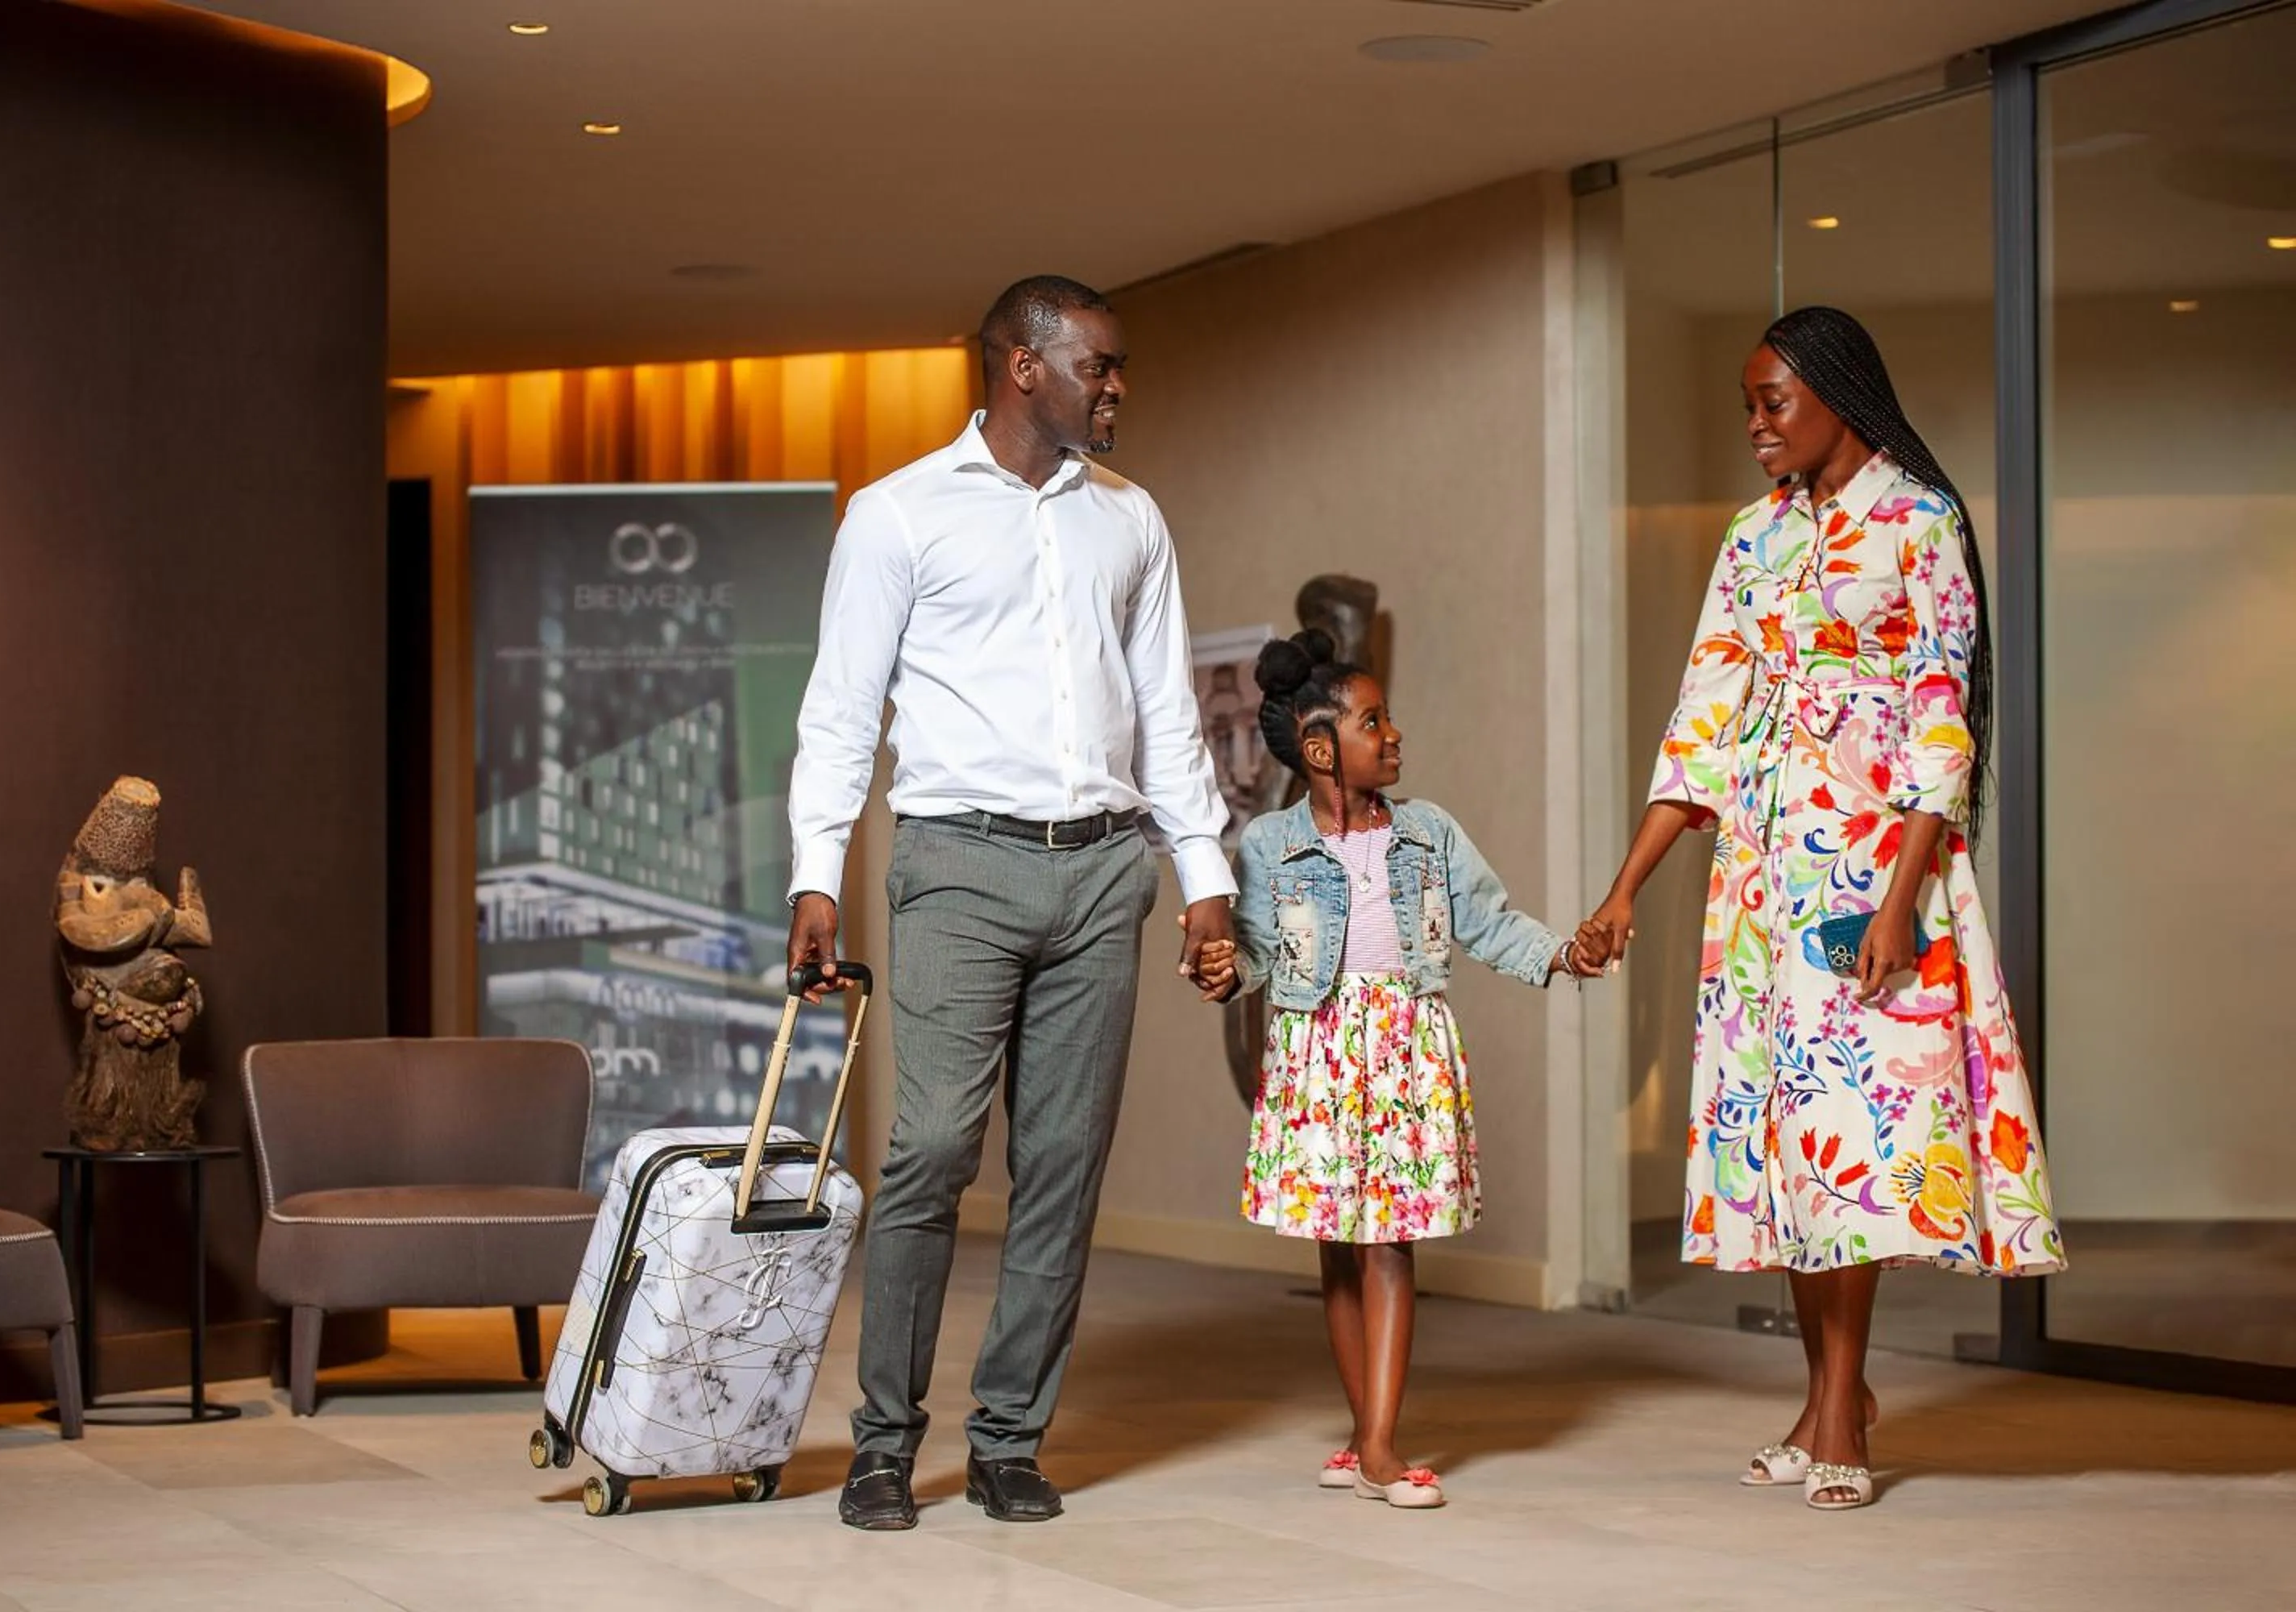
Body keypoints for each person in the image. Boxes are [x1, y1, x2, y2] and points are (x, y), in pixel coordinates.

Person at [1586, 306, 2065, 1512]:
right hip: (1757, 884)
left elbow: (1942, 724)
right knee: (1789, 1150)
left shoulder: (1920, 521)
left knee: (1855, 1148)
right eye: (1747, 404)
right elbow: (1703, 718)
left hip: (1867, 882)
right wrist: (1626, 887)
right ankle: (1826, 1400)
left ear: (1841, 395)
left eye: (1774, 403)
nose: (1755, 426)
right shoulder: (1753, 538)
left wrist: (1903, 899)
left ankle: (1842, 1409)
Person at [786, 275, 1236, 1531]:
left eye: (1118, 366)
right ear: (1024, 367)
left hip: (1103, 869)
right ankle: (884, 1442)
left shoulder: (1131, 520)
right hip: (957, 865)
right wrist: (816, 871)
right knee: (929, 1149)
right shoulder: (897, 516)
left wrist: (1203, 878)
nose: (1117, 386)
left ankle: (1007, 1440)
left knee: (1062, 1166)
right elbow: (840, 710)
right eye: (1099, 365)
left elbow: (1165, 711)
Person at [1190, 629, 1612, 1510]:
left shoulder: (1429, 832)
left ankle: (1381, 1443)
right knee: (1339, 1248)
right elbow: (1261, 951)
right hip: (1318, 1053)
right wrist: (1226, 968)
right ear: (1318, 748)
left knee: (1390, 1243)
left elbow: (1490, 921)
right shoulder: (1269, 842)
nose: (1394, 734)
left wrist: (1566, 953)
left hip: (1405, 1048)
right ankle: (1362, 1429)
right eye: (1373, 721)